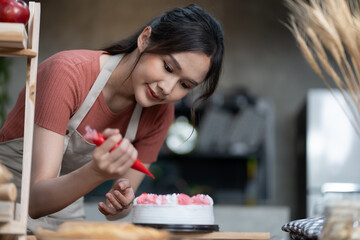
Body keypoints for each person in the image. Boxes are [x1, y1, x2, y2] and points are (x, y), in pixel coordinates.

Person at [0, 3, 224, 232]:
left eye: (184, 85)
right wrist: (96, 173)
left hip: (65, 216)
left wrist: (122, 202)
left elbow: (121, 207)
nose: (167, 88)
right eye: (167, 67)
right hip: (7, 202)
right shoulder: (67, 73)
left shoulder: (160, 114)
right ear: (145, 38)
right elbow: (35, 201)